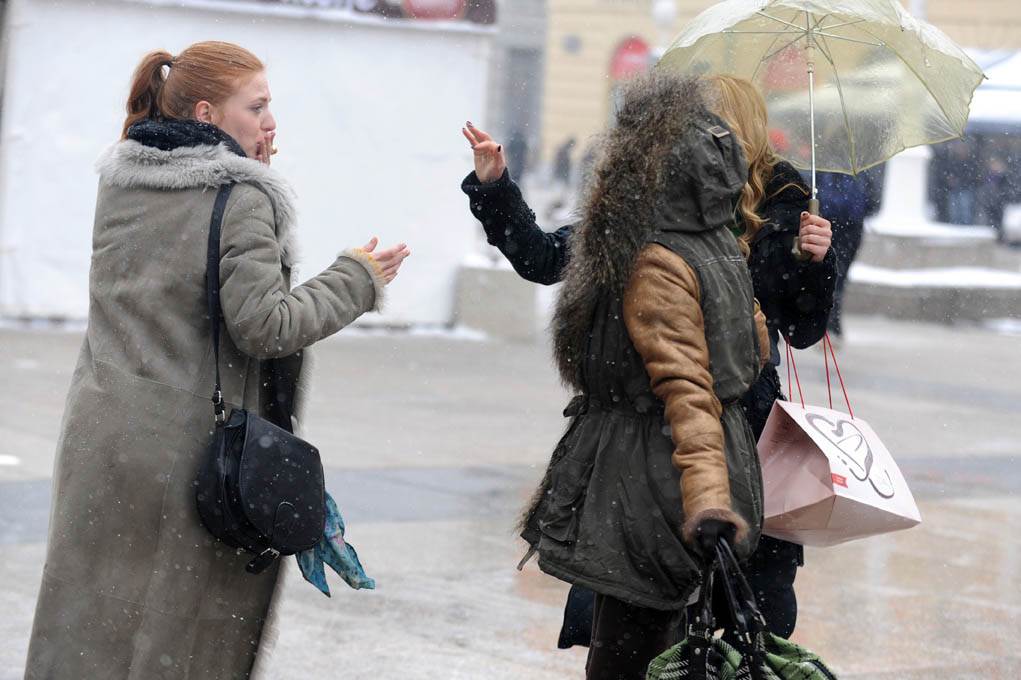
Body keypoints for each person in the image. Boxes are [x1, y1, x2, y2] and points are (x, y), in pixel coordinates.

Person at [25, 41, 410, 679]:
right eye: (256, 108)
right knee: (179, 633)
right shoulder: (242, 198)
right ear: (208, 115)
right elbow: (267, 325)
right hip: (190, 455)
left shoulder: (123, 182)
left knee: (92, 621)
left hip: (102, 440)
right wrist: (357, 278)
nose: (270, 123)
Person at [461, 73, 836, 646]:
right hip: (648, 437)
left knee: (745, 614)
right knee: (645, 610)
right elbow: (542, 257)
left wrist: (815, 262)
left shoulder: (785, 215)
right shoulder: (643, 213)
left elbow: (804, 330)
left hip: (745, 430)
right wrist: (496, 188)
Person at [514, 71, 772, 679]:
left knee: (627, 656)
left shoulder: (655, 258)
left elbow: (689, 392)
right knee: (653, 645)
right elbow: (752, 349)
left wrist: (707, 501)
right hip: (687, 479)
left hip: (651, 486)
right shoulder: (717, 243)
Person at [816, 165, 883, 340]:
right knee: (840, 275)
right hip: (850, 228)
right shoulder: (860, 170)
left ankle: (828, 321)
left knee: (830, 274)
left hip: (829, 225)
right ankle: (833, 322)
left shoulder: (824, 169)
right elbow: (873, 202)